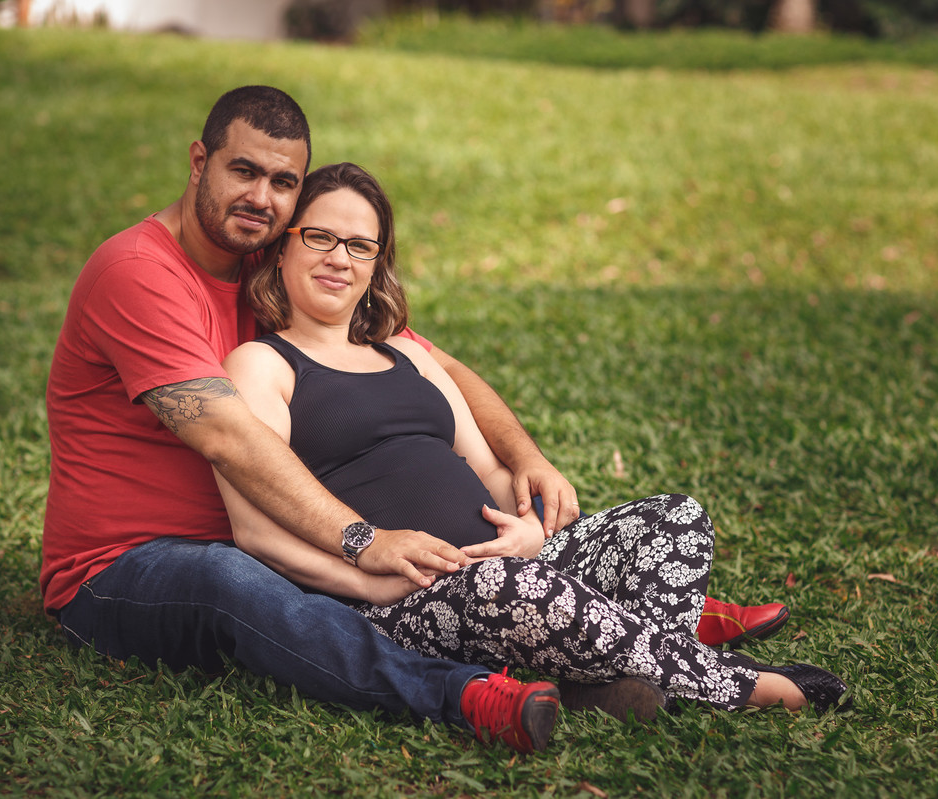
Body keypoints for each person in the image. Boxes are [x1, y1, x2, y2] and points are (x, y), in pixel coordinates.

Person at [216, 162, 851, 721]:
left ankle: (613, 678)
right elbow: (255, 531)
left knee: (674, 521)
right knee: (512, 588)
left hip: (516, 567)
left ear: (377, 262)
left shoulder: (408, 356)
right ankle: (739, 684)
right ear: (283, 247)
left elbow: (492, 473)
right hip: (408, 603)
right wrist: (370, 585)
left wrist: (529, 533)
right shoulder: (261, 365)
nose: (340, 259)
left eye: (360, 245)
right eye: (321, 237)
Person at [42, 85, 562, 753]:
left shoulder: (278, 261)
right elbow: (229, 439)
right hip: (123, 567)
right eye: (244, 170)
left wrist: (526, 457)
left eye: (283, 182)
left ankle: (598, 654)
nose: (261, 197)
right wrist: (361, 539)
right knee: (231, 580)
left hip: (273, 542)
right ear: (199, 162)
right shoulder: (138, 272)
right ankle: (461, 694)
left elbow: (435, 362)